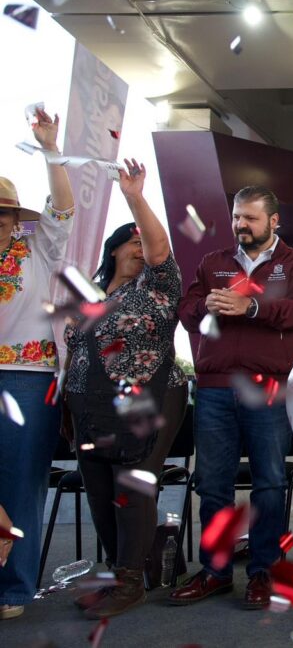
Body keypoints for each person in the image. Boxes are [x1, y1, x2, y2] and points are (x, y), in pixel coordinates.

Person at [171, 186, 293, 610]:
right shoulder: (213, 262)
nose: (241, 225)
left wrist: (251, 307)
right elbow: (186, 311)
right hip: (215, 387)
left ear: (274, 221)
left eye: (251, 218)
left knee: (269, 481)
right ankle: (215, 572)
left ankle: (263, 571)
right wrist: (206, 306)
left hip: (270, 387)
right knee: (212, 483)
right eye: (238, 217)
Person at [63, 160, 187, 618]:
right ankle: (120, 574)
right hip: (88, 404)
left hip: (149, 396)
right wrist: (66, 406)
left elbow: (159, 249)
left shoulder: (158, 286)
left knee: (131, 483)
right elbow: (73, 352)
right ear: (113, 250)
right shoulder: (90, 298)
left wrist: (134, 198)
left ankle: (131, 581)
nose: (141, 248)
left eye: (142, 242)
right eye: (132, 242)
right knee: (98, 490)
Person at [0, 108, 74, 621]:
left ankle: (14, 587)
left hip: (30, 380)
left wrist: (51, 149)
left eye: (2, 214)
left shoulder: (37, 250)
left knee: (22, 482)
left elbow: (63, 208)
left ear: (14, 219)